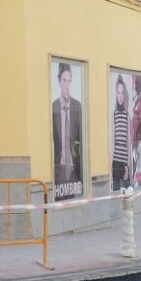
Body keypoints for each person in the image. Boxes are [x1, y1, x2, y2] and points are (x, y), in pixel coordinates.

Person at [52, 62, 83, 198]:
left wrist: (81, 175)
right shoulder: (53, 107)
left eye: (69, 81)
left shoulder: (77, 106)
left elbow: (81, 139)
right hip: (60, 168)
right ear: (59, 82)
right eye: (64, 80)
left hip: (75, 169)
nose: (67, 85)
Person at [111, 75, 130, 191]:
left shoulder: (127, 115)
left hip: (124, 160)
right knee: (116, 190)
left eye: (122, 93)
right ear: (116, 94)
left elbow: (128, 142)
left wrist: (127, 165)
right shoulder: (114, 114)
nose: (120, 96)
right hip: (115, 159)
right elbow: (112, 139)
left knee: (127, 192)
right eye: (118, 93)